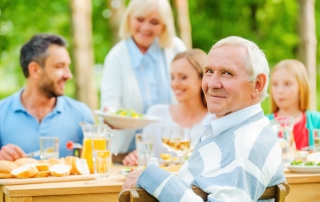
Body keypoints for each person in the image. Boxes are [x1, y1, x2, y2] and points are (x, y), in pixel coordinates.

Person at [122, 36, 285, 201]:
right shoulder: (230, 129)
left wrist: (153, 177)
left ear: (257, 84)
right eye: (209, 72)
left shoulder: (246, 145)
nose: (212, 83)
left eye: (227, 73)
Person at [100, 0, 186, 154]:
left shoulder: (176, 48)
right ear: (129, 19)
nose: (145, 27)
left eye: (154, 22)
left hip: (172, 150)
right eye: (140, 19)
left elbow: (190, 95)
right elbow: (110, 106)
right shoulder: (116, 57)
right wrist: (112, 118)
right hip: (129, 152)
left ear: (164, 25)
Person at [0, 34, 94, 161]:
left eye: (68, 66)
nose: (68, 75)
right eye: (59, 66)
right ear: (35, 70)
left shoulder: (81, 115)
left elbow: (94, 168)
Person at [122, 49, 209, 165]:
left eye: (183, 77)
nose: (175, 84)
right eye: (172, 77)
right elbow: (144, 159)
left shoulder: (213, 120)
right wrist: (136, 159)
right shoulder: (156, 114)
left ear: (202, 79)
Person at [266, 59, 320, 150]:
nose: (280, 91)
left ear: (301, 87)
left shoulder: (316, 121)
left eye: (287, 84)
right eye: (275, 84)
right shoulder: (264, 123)